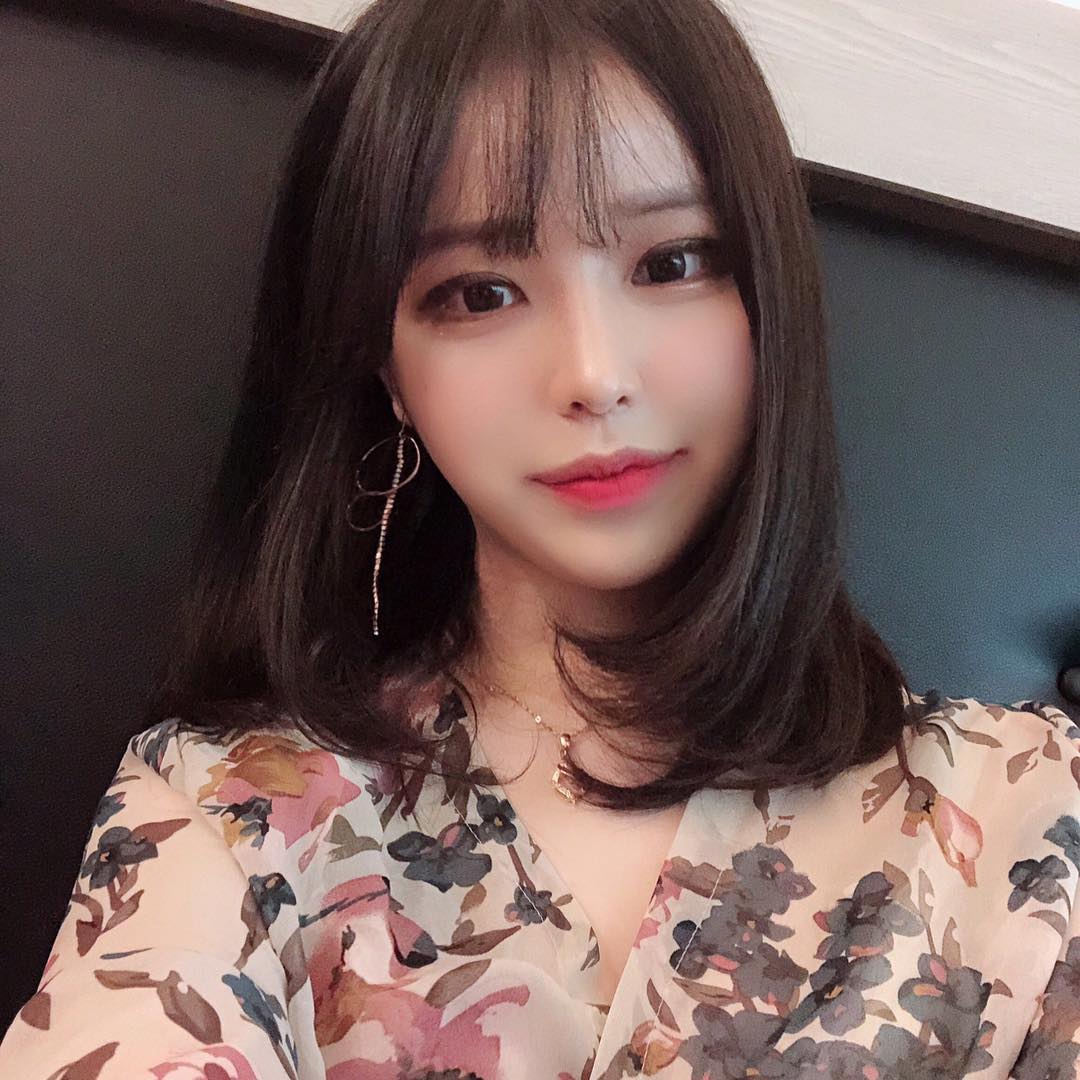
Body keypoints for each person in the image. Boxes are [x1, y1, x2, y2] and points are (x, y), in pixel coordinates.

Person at [3, 0, 1078, 1075]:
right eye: (481, 293)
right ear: (387, 369)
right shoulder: (229, 814)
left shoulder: (1032, 812)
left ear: (772, 299)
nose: (594, 375)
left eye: (673, 263)